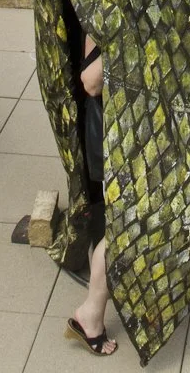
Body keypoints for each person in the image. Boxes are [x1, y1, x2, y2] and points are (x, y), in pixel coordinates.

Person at [64, 34, 118, 356]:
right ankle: (91, 313)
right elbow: (91, 79)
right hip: (120, 137)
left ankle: (93, 311)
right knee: (131, 224)